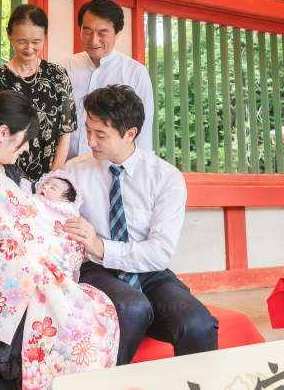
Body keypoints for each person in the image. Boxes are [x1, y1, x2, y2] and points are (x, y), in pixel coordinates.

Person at [0, 92, 118, 390]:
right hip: (8, 290)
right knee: (86, 331)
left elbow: (22, 228)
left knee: (95, 313)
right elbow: (6, 250)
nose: (24, 150)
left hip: (23, 277)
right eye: (23, 141)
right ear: (3, 133)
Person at [63, 85, 218, 365]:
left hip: (150, 272)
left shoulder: (165, 178)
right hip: (95, 268)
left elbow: (159, 253)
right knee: (132, 306)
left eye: (100, 134)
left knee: (197, 324)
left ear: (130, 133)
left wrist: (101, 245)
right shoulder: (74, 171)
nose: (90, 141)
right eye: (87, 131)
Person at [0, 4, 76, 182]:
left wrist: (52, 178)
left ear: (44, 37)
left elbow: (66, 131)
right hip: (6, 177)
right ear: (9, 35)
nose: (29, 48)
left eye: (36, 42)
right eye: (22, 41)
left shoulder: (58, 76)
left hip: (50, 179)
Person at [59, 0, 154, 160]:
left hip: (111, 170)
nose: (93, 40)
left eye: (102, 33)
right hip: (67, 170)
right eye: (87, 31)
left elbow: (143, 134)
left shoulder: (135, 73)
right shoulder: (64, 67)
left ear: (117, 33)